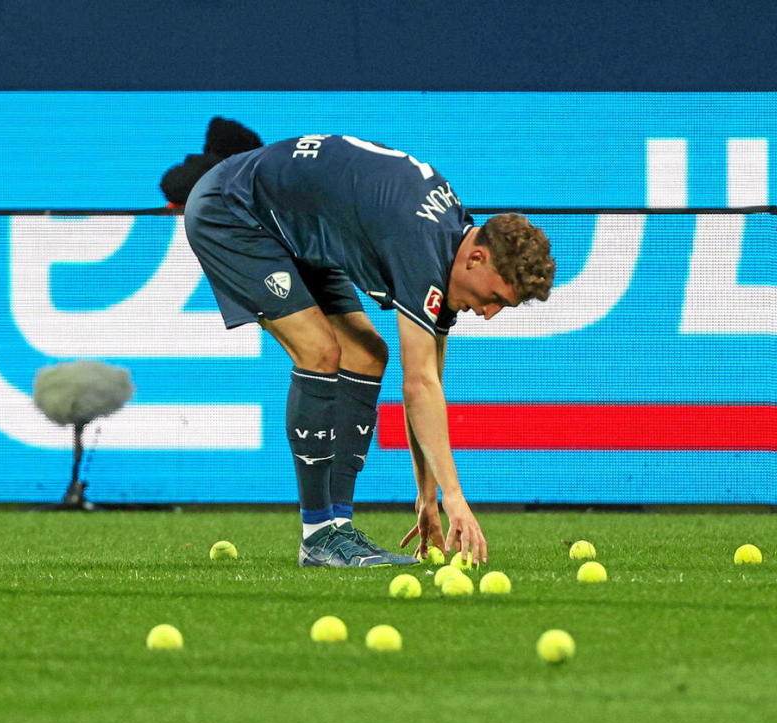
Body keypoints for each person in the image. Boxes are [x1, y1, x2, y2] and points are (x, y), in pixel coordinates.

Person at [184, 134, 555, 568]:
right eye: (494, 298)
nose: (489, 314)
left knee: (366, 355)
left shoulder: (450, 240)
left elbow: (428, 382)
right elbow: (418, 385)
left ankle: (338, 530)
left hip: (300, 230)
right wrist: (455, 498)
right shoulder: (421, 242)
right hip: (234, 211)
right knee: (320, 350)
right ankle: (318, 535)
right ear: (476, 259)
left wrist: (427, 494)